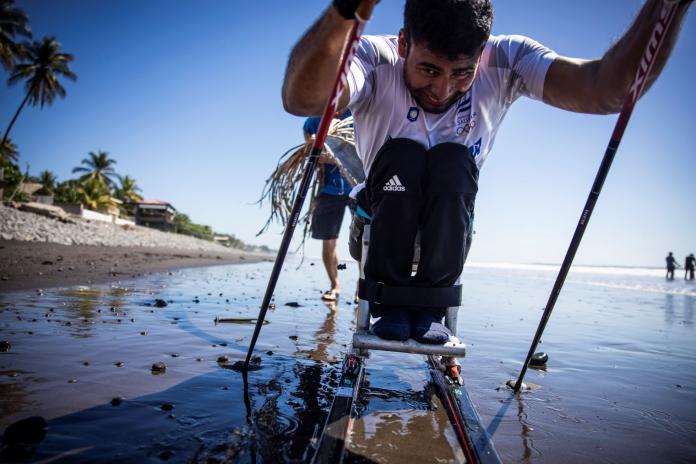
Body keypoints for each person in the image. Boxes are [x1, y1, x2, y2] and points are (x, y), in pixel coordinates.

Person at [282, 0, 692, 344]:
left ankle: (431, 305)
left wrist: (668, 8)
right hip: (378, 228)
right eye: (429, 69)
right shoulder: (377, 57)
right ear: (404, 43)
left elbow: (606, 89)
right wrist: (344, 11)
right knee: (404, 154)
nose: (442, 90)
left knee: (453, 161)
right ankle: (388, 300)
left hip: (449, 229)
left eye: (462, 72)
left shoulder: (507, 58)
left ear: (481, 55)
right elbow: (302, 100)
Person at [304, 111, 353, 301]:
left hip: (357, 185)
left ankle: (361, 289)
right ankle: (335, 285)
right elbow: (310, 153)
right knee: (328, 241)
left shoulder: (357, 115)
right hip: (329, 190)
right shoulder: (313, 122)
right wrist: (316, 148)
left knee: (365, 241)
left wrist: (332, 156)